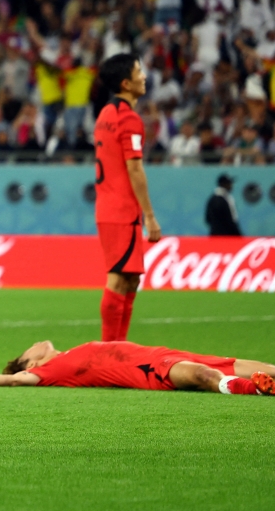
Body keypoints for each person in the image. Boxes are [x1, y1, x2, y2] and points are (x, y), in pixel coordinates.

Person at [0, 339, 275, 397]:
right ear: (31, 362)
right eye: (30, 349)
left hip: (163, 351)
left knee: (271, 367)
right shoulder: (51, 371)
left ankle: (271, 381)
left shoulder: (70, 351)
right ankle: (256, 390)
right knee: (204, 377)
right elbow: (13, 381)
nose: (37, 340)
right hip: (152, 369)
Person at [93, 53, 162, 343]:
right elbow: (134, 168)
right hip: (122, 210)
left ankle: (119, 347)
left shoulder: (106, 114)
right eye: (138, 71)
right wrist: (150, 215)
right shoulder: (129, 119)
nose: (144, 76)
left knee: (130, 278)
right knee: (119, 278)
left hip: (108, 207)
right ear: (125, 82)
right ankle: (109, 350)